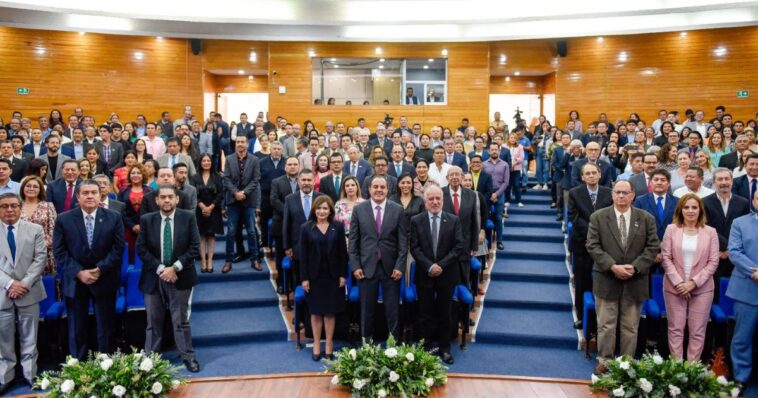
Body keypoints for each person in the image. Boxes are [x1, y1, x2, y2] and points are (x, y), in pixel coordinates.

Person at [586, 180, 659, 374]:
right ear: (612, 195)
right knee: (606, 325)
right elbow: (592, 245)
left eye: (625, 193)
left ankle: (626, 363)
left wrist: (634, 268)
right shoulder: (598, 217)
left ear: (633, 195)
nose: (621, 196)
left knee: (630, 327)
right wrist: (612, 266)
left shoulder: (646, 218)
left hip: (635, 281)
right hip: (607, 279)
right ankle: (605, 360)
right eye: (617, 192)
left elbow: (652, 248)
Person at [52, 179, 125, 360]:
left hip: (104, 279)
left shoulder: (114, 217)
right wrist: (79, 272)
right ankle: (78, 368)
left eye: (94, 192)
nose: (90, 196)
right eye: (85, 193)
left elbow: (118, 249)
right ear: (78, 196)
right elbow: (59, 251)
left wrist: (99, 269)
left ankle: (107, 366)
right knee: (77, 329)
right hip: (75, 281)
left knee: (106, 328)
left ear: (100, 195)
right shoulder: (64, 219)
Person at [136, 185, 200, 373]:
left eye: (170, 197)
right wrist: (161, 268)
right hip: (153, 277)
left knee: (180, 320)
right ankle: (150, 361)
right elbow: (141, 249)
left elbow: (194, 246)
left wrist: (175, 268)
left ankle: (188, 356)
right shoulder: (147, 220)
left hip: (181, 276)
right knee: (153, 321)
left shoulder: (188, 217)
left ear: (177, 199)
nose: (166, 200)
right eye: (162, 197)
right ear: (156, 200)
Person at [660, 193, 719, 361]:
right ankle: (676, 367)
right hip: (674, 287)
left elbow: (713, 262)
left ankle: (691, 371)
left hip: (702, 289)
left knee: (697, 331)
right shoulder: (671, 229)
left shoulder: (710, 232)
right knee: (675, 329)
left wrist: (693, 283)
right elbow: (666, 258)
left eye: (694, 207)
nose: (691, 211)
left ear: (700, 210)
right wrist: (680, 283)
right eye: (686, 207)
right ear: (680, 210)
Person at [349, 175, 408, 340]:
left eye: (382, 187)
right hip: (366, 268)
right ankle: (366, 345)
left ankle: (394, 347)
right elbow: (353, 241)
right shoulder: (359, 209)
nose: (379, 190)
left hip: (391, 269)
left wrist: (399, 266)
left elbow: (403, 242)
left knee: (392, 310)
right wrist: (356, 266)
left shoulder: (397, 209)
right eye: (375, 187)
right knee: (366, 310)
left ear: (388, 190)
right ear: (369, 189)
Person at [410, 185, 463, 364]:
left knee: (445, 313)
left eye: (437, 199)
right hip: (424, 274)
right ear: (425, 202)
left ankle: (444, 348)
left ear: (442, 200)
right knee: (424, 312)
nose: (434, 202)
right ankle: (424, 347)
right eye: (431, 199)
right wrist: (429, 266)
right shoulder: (416, 220)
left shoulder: (453, 220)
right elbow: (414, 247)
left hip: (446, 274)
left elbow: (458, 247)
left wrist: (440, 265)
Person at [0, 193, 47, 394]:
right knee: (4, 340)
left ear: (20, 208)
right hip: (2, 293)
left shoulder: (35, 229)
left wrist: (23, 284)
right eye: (4, 206)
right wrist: (10, 283)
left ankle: (30, 375)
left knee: (30, 338)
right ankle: (6, 377)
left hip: (29, 292)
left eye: (13, 206)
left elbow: (40, 259)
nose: (9, 210)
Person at [299, 195, 347, 361]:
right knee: (316, 311)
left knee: (329, 312)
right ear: (314, 210)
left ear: (330, 210)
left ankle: (329, 344)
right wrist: (304, 278)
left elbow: (342, 253)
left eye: (325, 208)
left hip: (333, 277)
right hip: (314, 277)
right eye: (319, 208)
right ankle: (317, 344)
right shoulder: (306, 228)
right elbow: (303, 256)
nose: (321, 211)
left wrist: (343, 275)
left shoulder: (338, 227)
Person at [568, 163, 613, 329]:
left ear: (600, 175)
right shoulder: (574, 193)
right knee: (582, 282)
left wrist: (599, 236)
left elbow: (611, 216)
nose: (592, 175)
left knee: (603, 281)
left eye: (594, 172)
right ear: (582, 177)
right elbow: (574, 217)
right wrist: (592, 234)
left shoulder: (609, 193)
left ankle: (600, 318)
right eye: (588, 173)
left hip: (605, 244)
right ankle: (581, 316)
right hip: (582, 243)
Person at [726, 190, 758, 390]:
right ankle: (740, 377)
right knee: (742, 338)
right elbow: (734, 252)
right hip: (747, 288)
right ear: (754, 201)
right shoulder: (740, 223)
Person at [702, 168, 750, 285]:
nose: (724, 182)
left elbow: (744, 228)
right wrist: (726, 247)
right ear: (714, 182)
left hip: (736, 256)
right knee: (715, 289)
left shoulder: (743, 202)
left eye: (727, 179)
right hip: (713, 253)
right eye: (720, 179)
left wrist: (731, 250)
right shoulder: (704, 202)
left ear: (732, 181)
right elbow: (706, 227)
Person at [221, 135, 261, 273]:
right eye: (238, 142)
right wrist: (236, 193)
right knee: (231, 232)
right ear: (235, 144)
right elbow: (226, 178)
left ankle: (255, 259)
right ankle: (228, 261)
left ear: (247, 144)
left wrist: (244, 193)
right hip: (233, 201)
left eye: (242, 142)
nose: (240, 144)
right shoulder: (229, 159)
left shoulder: (255, 159)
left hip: (249, 200)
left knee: (251, 231)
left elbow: (256, 179)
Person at [283, 170, 324, 288]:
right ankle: (300, 305)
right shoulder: (290, 199)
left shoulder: (321, 197)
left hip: (319, 246)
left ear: (314, 182)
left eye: (309, 180)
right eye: (303, 180)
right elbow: (287, 223)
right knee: (299, 279)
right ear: (298, 182)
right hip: (297, 247)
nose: (306, 183)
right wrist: (287, 246)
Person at [442, 166, 479, 288]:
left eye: (457, 174)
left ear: (462, 177)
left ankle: (464, 306)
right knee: (446, 280)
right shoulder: (440, 193)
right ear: (447, 178)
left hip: (465, 244)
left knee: (464, 278)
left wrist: (474, 245)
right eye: (451, 175)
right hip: (445, 245)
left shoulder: (471, 195)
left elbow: (474, 221)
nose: (454, 177)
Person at [270, 157, 300, 293]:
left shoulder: (304, 181)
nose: (292, 166)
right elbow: (274, 200)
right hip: (281, 225)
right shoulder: (276, 182)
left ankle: (296, 284)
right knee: (281, 256)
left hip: (300, 227)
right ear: (285, 167)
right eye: (290, 164)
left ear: (299, 166)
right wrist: (291, 211)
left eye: (295, 164)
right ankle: (282, 283)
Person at [19, 176, 57, 280]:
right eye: (28, 186)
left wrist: (39, 247)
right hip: (20, 255)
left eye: (35, 186)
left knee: (45, 288)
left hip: (44, 255)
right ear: (23, 188)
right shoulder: (16, 206)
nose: (31, 188)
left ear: (40, 190)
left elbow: (54, 231)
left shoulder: (48, 206)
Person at [191, 154, 224, 273]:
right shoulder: (194, 177)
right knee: (201, 235)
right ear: (200, 163)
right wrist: (202, 206)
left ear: (211, 162)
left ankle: (210, 260)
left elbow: (220, 194)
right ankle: (203, 261)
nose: (206, 162)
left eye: (208, 160)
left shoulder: (217, 177)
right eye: (203, 160)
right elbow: (193, 194)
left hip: (213, 210)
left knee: (211, 235)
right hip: (199, 210)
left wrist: (210, 207)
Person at [633, 169, 679, 243]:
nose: (659, 183)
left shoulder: (677, 202)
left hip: (672, 244)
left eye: (663, 180)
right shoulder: (640, 201)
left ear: (668, 183)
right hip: (647, 244)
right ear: (650, 183)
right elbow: (637, 225)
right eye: (656, 180)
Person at [482, 143, 510, 250]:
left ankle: (499, 241)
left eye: (496, 150)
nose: (494, 151)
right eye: (492, 149)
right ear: (489, 151)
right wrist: (490, 194)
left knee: (498, 218)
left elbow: (506, 182)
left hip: (500, 193)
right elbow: (483, 180)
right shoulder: (484, 164)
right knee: (486, 218)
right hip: (487, 194)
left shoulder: (505, 165)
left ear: (499, 151)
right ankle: (487, 242)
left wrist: (496, 194)